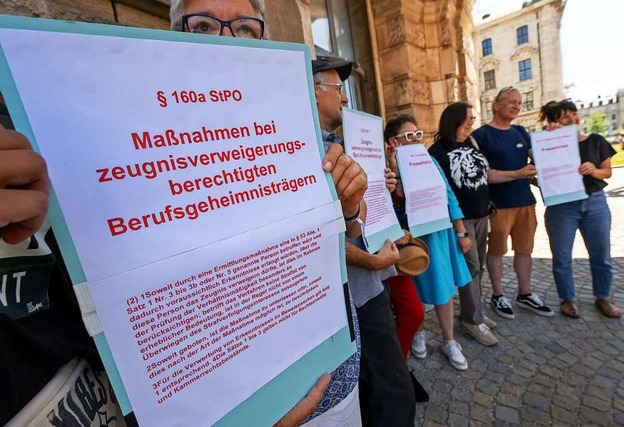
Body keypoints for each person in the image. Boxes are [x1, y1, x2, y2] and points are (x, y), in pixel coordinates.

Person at [1, 1, 370, 425]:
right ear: (174, 38)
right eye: (205, 25)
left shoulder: (298, 131)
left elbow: (340, 238)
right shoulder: (107, 149)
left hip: (336, 380)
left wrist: (349, 207)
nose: (228, 40)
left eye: (247, 30)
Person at [313, 57, 416, 426]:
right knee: (385, 390)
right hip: (344, 296)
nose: (344, 99)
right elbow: (314, 236)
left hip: (369, 287)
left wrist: (384, 190)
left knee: (384, 385)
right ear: (314, 90)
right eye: (338, 89)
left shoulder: (350, 142)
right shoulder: (305, 151)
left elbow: (362, 216)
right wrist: (371, 261)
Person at [386, 114, 472, 371]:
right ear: (394, 141)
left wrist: (460, 231)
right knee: (415, 287)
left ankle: (449, 340)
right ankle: (418, 332)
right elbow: (390, 208)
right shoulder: (386, 169)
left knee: (443, 287)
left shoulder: (430, 160)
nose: (415, 140)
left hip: (438, 234)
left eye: (418, 134)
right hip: (411, 239)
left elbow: (449, 195)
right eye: (408, 136)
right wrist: (397, 180)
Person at [472, 86, 553, 319]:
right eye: (511, 102)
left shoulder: (520, 131)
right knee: (497, 251)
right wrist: (519, 173)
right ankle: (498, 295)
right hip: (498, 205)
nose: (517, 106)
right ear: (496, 105)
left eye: (519, 102)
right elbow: (483, 174)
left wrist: (553, 141)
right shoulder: (481, 135)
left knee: (525, 250)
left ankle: (525, 293)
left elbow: (539, 156)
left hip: (526, 202)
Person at [539, 100, 620, 319]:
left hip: (595, 202)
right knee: (562, 256)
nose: (572, 119)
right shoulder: (548, 144)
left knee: (601, 254)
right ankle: (568, 299)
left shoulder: (596, 141)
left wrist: (593, 170)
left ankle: (603, 296)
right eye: (565, 116)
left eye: (574, 114)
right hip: (562, 206)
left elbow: (607, 172)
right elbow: (540, 171)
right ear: (555, 121)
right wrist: (549, 138)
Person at [428, 102, 498, 346]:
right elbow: (442, 192)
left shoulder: (472, 143)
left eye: (472, 117)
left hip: (482, 215)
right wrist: (459, 230)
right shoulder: (436, 151)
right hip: (462, 220)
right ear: (453, 120)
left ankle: (474, 310)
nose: (471, 122)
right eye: (467, 118)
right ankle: (471, 319)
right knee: (470, 268)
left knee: (479, 267)